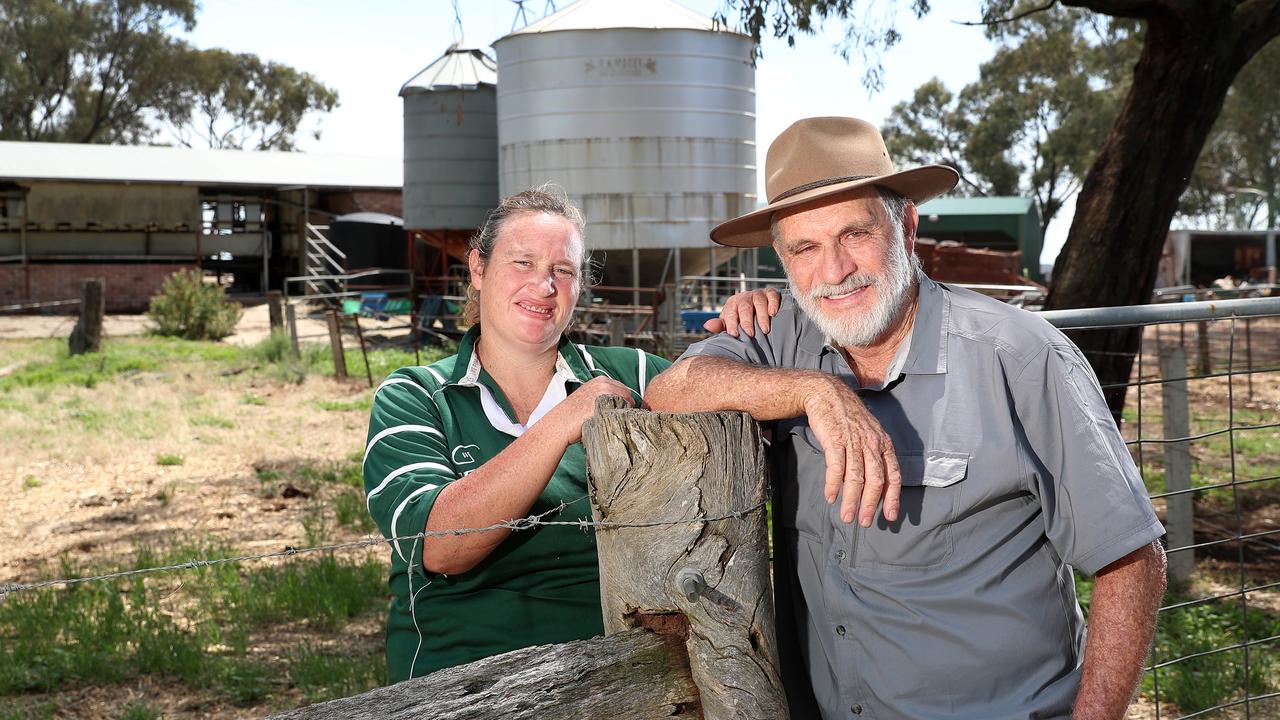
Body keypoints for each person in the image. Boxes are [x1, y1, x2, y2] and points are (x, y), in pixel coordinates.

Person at [645, 117, 1168, 719]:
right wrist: (817, 392)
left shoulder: (1020, 356)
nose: (835, 270)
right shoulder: (777, 335)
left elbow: (1132, 558)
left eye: (856, 234)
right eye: (805, 248)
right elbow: (670, 388)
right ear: (781, 259)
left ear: (907, 228)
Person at [362, 185, 772, 682]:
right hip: (461, 682)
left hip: (617, 672)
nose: (543, 286)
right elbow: (441, 545)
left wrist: (754, 329)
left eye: (563, 270)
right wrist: (562, 422)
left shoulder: (635, 374)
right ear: (477, 268)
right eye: (523, 263)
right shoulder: (418, 396)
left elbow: (741, 412)